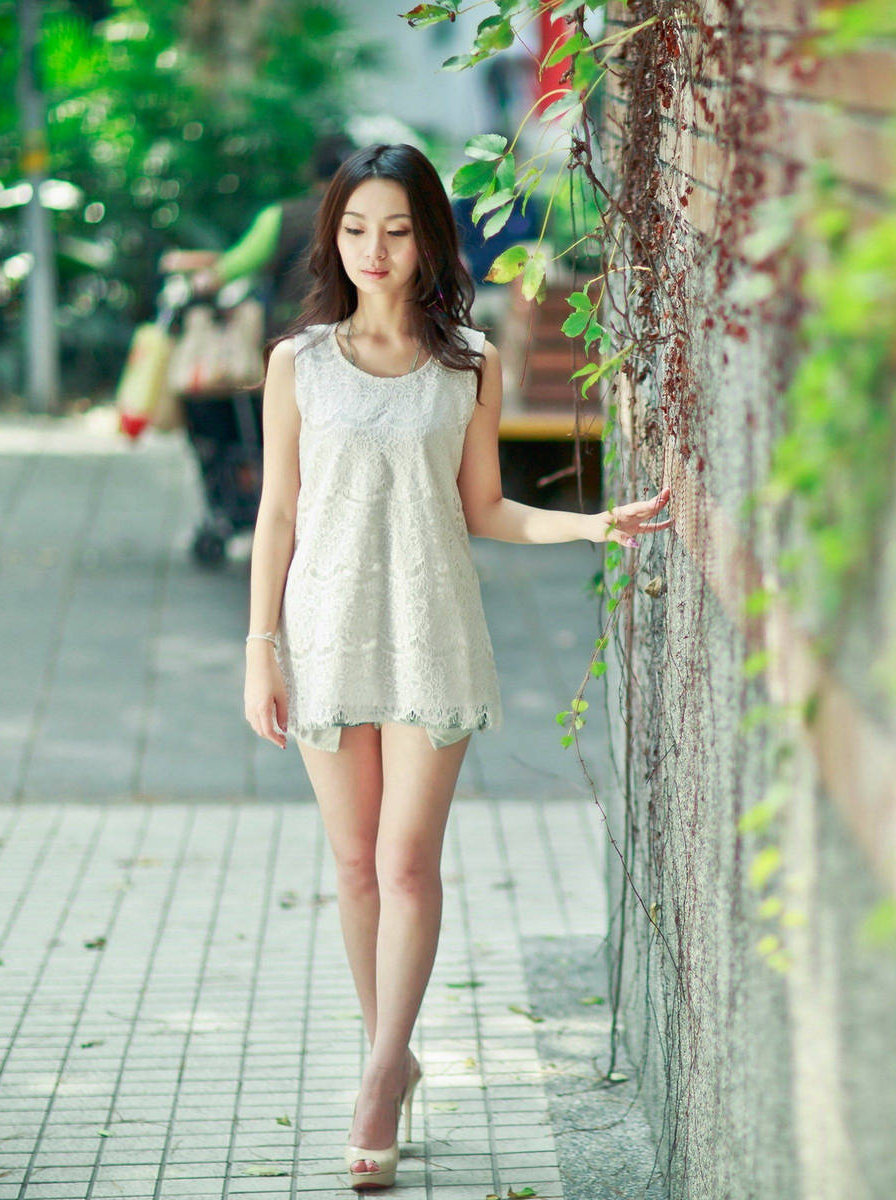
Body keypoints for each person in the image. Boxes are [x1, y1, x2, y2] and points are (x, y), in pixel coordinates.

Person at [239, 141, 672, 1189]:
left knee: (406, 864)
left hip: (432, 630)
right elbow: (279, 512)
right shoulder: (298, 363)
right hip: (326, 632)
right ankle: (393, 1049)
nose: (372, 251)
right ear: (331, 237)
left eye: (394, 229)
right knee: (352, 865)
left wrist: (591, 525)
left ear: (428, 235)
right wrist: (261, 649)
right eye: (353, 230)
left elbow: (484, 510)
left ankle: (381, 1076)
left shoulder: (465, 364)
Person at [158, 131, 358, 334]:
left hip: (295, 333)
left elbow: (234, 265)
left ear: (311, 170)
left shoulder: (281, 216)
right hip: (354, 332)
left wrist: (199, 280)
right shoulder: (370, 218)